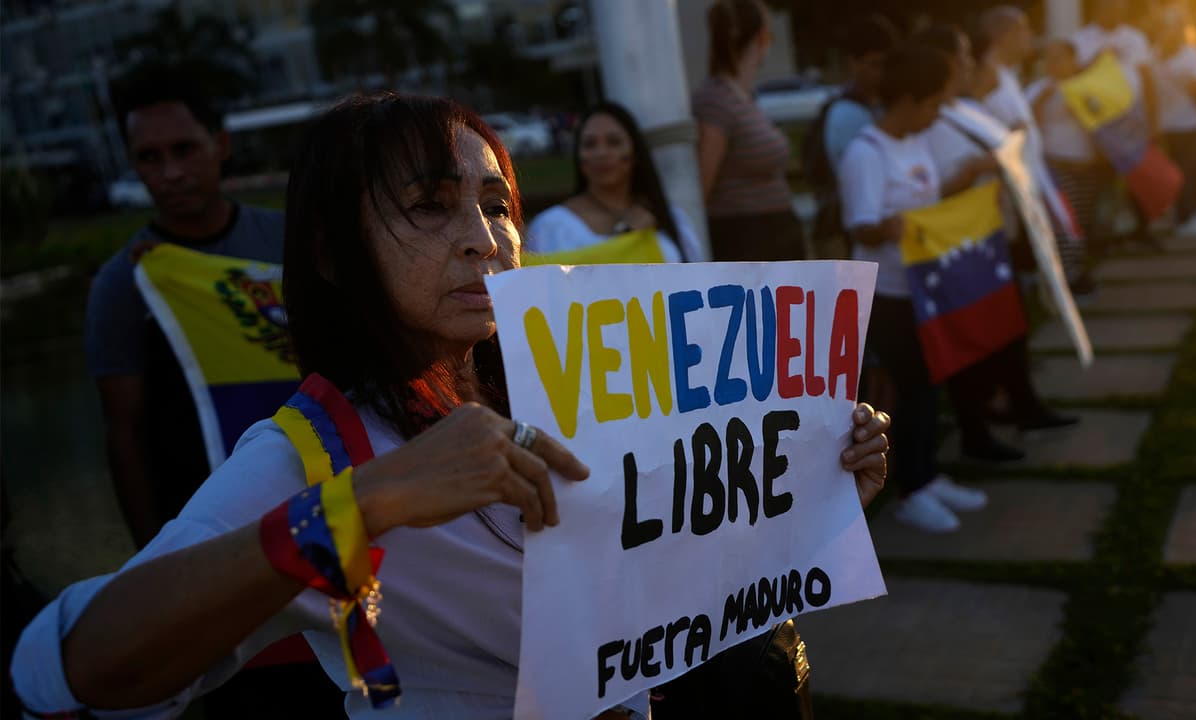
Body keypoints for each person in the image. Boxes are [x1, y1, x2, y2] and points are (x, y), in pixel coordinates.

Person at [12, 94, 893, 718]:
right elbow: (67, 667)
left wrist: (805, 494)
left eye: (496, 204)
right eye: (430, 206)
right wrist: (366, 503)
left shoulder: (569, 389)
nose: (483, 238)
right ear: (331, 251)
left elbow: (671, 573)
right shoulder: (314, 454)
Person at [87, 66, 341, 717]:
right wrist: (156, 572)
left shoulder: (287, 241)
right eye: (149, 158)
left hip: (324, 525)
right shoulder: (125, 284)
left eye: (184, 149)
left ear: (220, 145)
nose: (170, 172)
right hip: (214, 553)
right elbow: (124, 433)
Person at [917, 25, 1078, 468]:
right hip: (958, 242)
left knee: (1008, 326)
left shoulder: (962, 108)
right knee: (973, 337)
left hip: (989, 232)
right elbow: (928, 190)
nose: (971, 63)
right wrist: (978, 168)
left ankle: (1020, 407)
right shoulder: (932, 121)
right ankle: (979, 430)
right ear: (948, 62)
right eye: (965, 55)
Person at [836, 44, 967, 534]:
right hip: (886, 294)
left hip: (923, 288)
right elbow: (861, 226)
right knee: (910, 392)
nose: (938, 115)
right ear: (909, 99)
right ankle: (910, 490)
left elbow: (927, 200)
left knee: (929, 386)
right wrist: (891, 228)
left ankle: (927, 476)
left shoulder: (915, 141)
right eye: (934, 103)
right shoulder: (865, 153)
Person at [974, 5, 1093, 293]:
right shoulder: (987, 77)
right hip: (1005, 186)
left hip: (1028, 177)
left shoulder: (1005, 75)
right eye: (1024, 30)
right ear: (1003, 35)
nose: (1030, 36)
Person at [693, 0, 805, 261]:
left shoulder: (743, 97)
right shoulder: (716, 100)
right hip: (746, 241)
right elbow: (702, 183)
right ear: (762, 37)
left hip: (771, 239)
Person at [526, 101, 704, 262]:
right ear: (579, 157)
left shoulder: (671, 218)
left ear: (634, 153)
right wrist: (624, 234)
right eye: (589, 144)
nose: (601, 153)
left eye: (614, 142)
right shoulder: (551, 227)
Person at [806, 13, 898, 259]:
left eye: (886, 65)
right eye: (874, 64)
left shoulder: (877, 106)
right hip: (855, 235)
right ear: (852, 63)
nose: (881, 73)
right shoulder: (846, 114)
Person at [1073, 0, 1162, 252]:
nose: (1116, 10)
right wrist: (1099, 59)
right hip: (1102, 122)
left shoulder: (1134, 37)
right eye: (1110, 6)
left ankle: (1141, 229)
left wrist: (1153, 119)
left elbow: (1147, 78)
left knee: (1138, 176)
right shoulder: (1081, 40)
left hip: (1133, 119)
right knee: (1104, 179)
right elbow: (1074, 77)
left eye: (1120, 6)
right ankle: (1101, 236)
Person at [1028, 40, 1112, 263]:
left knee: (1083, 221)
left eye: (1059, 58)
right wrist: (1043, 99)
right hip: (1057, 166)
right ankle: (1069, 274)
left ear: (1073, 59)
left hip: (1087, 166)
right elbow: (1027, 125)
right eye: (1049, 59)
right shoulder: (1038, 90)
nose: (1053, 64)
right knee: (1065, 223)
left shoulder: (1088, 86)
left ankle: (1080, 269)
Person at [1152, 10, 1196, 237]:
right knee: (1190, 172)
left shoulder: (1155, 55)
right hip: (1190, 123)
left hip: (1167, 125)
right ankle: (1187, 219)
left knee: (1178, 173)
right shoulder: (1189, 55)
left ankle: (1183, 213)